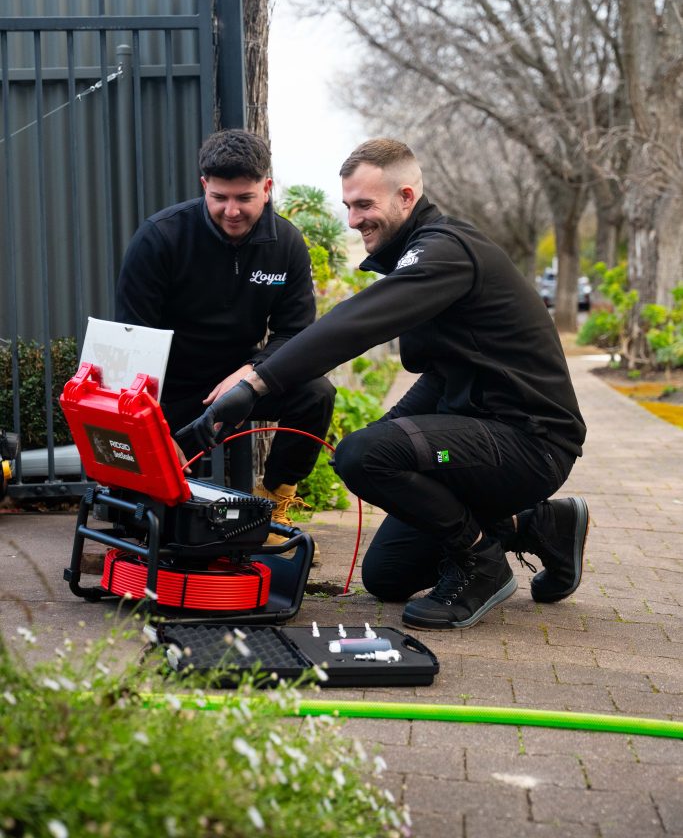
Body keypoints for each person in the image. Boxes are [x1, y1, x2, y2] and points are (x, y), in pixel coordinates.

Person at [178, 138, 588, 630]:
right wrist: (388, 434)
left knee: (364, 454)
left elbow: (356, 323)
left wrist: (257, 384)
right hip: (479, 437)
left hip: (531, 443)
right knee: (387, 575)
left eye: (365, 205)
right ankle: (542, 525)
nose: (353, 220)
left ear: (407, 197)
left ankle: (482, 563)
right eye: (349, 205)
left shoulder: (445, 252)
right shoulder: (419, 253)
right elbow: (441, 372)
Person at [115, 129, 335, 561]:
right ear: (204, 187)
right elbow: (133, 340)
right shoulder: (160, 237)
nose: (231, 210)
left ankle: (273, 506)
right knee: (147, 526)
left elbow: (295, 335)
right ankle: (159, 503)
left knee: (316, 392)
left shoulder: (287, 245)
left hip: (242, 381)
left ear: (266, 189)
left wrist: (251, 375)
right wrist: (153, 425)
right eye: (219, 197)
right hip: (170, 387)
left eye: (245, 197)